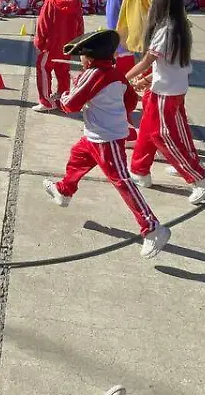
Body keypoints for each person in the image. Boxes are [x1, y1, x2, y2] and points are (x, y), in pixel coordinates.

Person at [41, 30, 168, 257]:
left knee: (122, 181)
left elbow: (70, 104)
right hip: (95, 134)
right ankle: (64, 191)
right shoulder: (115, 73)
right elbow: (130, 101)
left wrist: (62, 95)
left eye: (80, 55)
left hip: (106, 138)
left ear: (88, 57)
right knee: (77, 157)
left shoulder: (91, 75)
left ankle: (152, 228)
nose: (79, 59)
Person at [123, 0, 205, 204]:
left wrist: (123, 78)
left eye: (154, 1)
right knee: (150, 129)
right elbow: (169, 65)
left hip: (166, 92)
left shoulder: (166, 29)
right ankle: (140, 170)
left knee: (164, 136)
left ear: (163, 3)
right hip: (169, 87)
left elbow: (148, 60)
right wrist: (147, 80)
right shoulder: (179, 26)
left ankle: (200, 178)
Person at [32, 0, 84, 112]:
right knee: (62, 70)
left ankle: (46, 102)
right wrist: (77, 43)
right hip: (67, 44)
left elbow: (43, 24)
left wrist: (39, 43)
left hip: (51, 44)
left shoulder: (51, 0)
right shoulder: (76, 1)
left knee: (43, 69)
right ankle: (63, 97)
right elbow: (80, 24)